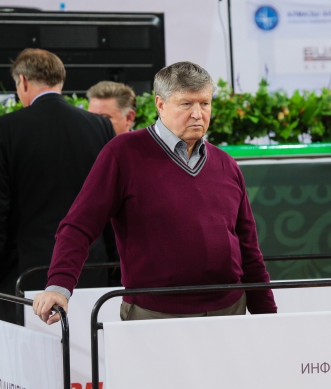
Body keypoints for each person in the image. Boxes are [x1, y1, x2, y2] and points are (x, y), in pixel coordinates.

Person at [33, 61, 277, 323]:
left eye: (204, 103)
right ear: (161, 104)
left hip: (230, 311)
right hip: (154, 315)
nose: (198, 114)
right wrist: (59, 286)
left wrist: (268, 317)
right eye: (186, 104)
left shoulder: (226, 163)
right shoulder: (123, 153)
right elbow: (78, 226)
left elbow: (249, 247)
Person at [0, 48, 115, 324]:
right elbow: (112, 205)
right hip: (91, 269)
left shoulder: (7, 128)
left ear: (23, 81)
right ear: (60, 80)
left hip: (26, 276)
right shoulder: (100, 126)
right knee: (89, 349)